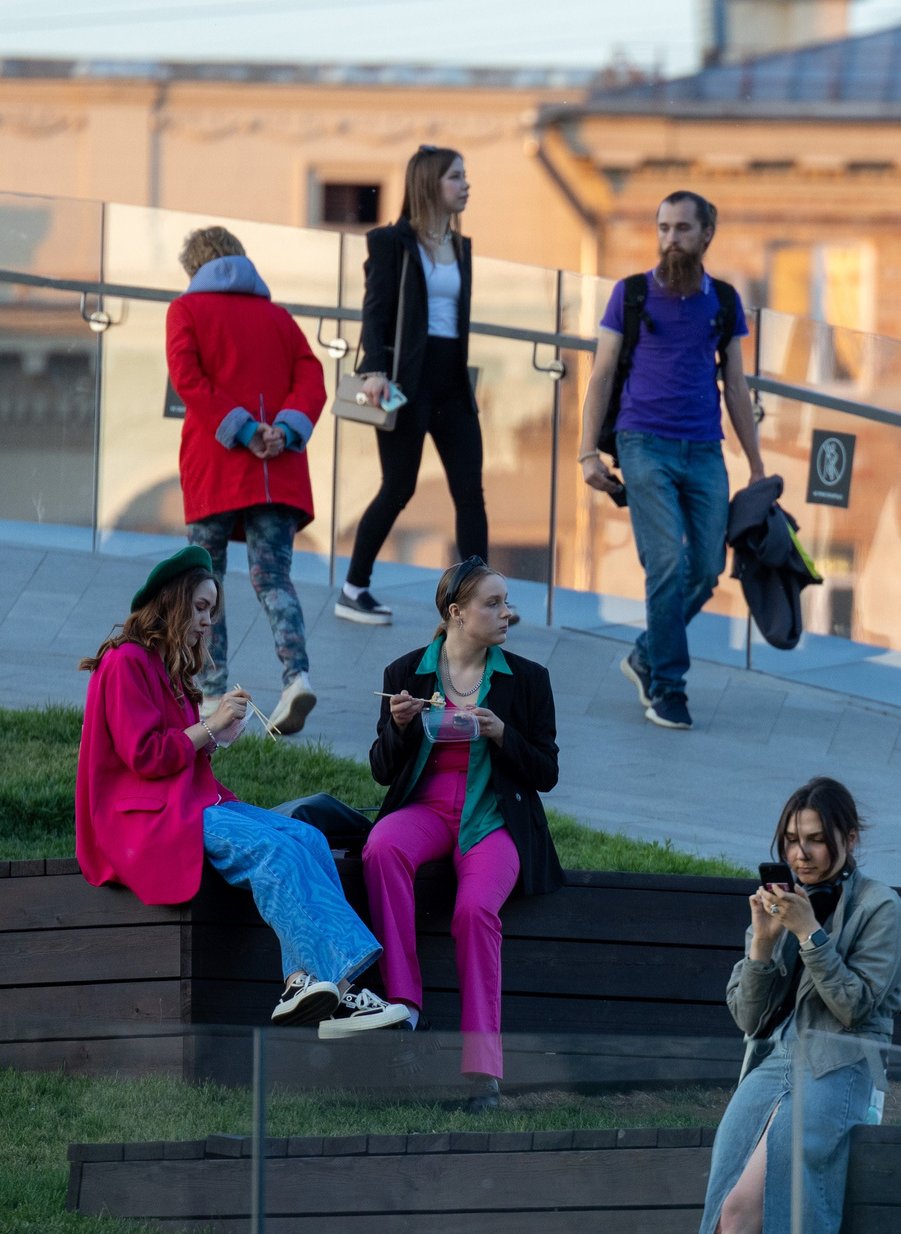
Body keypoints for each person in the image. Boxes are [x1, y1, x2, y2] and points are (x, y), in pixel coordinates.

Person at [580, 778, 901, 1234]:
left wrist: (810, 934)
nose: (800, 854)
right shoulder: (781, 900)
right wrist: (761, 945)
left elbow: (855, 1006)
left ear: (850, 839)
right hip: (773, 1065)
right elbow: (750, 1019)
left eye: (815, 840)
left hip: (840, 1069)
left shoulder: (880, 908)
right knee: (727, 1204)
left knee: (742, 1206)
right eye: (790, 840)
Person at [77, 544, 413, 1039]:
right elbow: (146, 756)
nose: (206, 621)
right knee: (273, 849)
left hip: (187, 803)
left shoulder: (165, 671)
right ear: (170, 602)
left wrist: (214, 735)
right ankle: (339, 988)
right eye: (199, 607)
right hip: (147, 819)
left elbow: (178, 755)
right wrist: (210, 727)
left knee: (309, 839)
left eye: (211, 610)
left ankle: (302, 982)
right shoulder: (126, 662)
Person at [363, 557, 566, 1108]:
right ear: (456, 613)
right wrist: (401, 728)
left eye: (506, 602)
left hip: (491, 821)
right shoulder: (406, 673)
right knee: (381, 845)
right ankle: (402, 1003)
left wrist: (502, 734)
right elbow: (383, 769)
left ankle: (484, 1071)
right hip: (427, 809)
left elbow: (546, 772)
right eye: (493, 603)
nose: (507, 613)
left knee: (475, 912)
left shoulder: (527, 680)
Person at [577, 190, 766, 733]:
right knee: (666, 563)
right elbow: (602, 373)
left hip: (705, 450)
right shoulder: (631, 294)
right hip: (642, 445)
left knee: (706, 570)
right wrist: (589, 452)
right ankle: (668, 686)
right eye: (663, 228)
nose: (671, 239)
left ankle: (644, 654)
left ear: (707, 234)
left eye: (682, 229)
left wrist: (754, 463)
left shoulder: (724, 302)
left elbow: (736, 386)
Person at [165, 225, 325, 734]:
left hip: (214, 465)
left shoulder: (186, 311)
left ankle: (214, 694)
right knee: (273, 577)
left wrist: (241, 431)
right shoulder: (279, 318)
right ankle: (296, 678)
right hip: (277, 469)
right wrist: (283, 429)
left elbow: (189, 379)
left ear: (195, 268)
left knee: (204, 582)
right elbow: (311, 379)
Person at [338, 145, 486, 629]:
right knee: (398, 486)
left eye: (465, 177)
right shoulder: (391, 242)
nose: (466, 185)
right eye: (455, 177)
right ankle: (354, 587)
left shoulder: (461, 247)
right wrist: (375, 368)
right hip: (406, 382)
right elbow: (375, 311)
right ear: (429, 184)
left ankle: (483, 599)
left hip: (453, 383)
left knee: (469, 492)